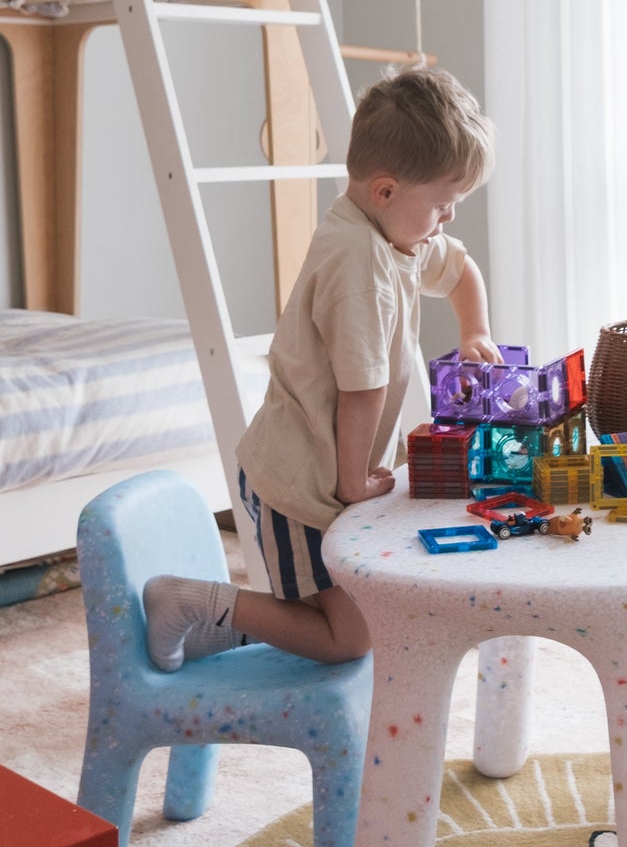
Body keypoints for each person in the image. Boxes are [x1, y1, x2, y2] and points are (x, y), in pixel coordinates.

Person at [143, 66, 500, 670]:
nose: (449, 219)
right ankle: (188, 600)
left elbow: (460, 269)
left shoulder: (396, 234)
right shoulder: (357, 261)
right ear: (386, 190)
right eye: (443, 205)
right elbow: (362, 387)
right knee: (348, 640)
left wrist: (477, 332)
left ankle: (219, 630)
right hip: (299, 483)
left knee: (350, 614)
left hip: (326, 466)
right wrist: (352, 481)